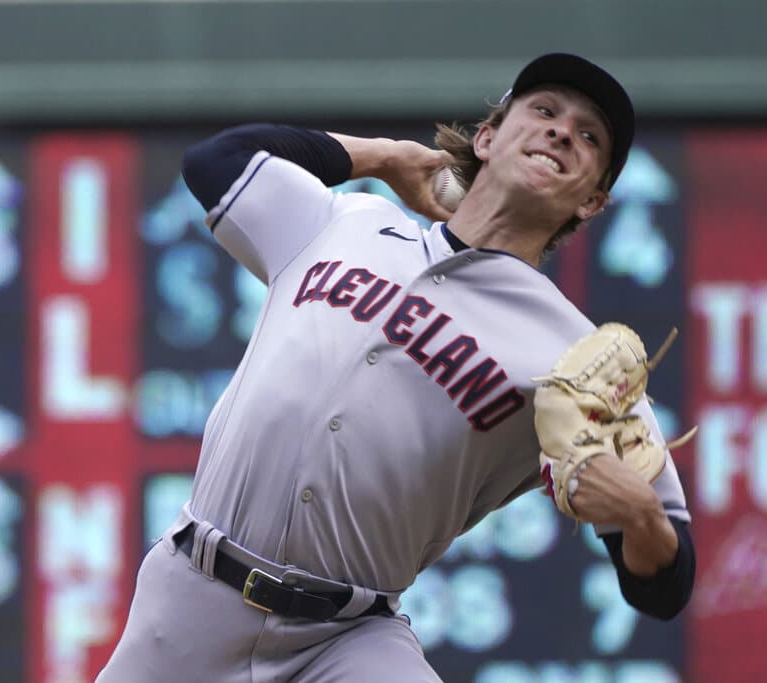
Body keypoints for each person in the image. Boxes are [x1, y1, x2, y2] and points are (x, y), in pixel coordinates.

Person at [97, 53, 695, 683]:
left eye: (589, 137)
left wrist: (642, 518)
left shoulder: (574, 355)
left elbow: (665, 584)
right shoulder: (345, 223)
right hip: (190, 598)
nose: (562, 132)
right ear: (487, 138)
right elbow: (217, 162)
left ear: (594, 201)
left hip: (345, 641)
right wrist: (382, 157)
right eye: (544, 111)